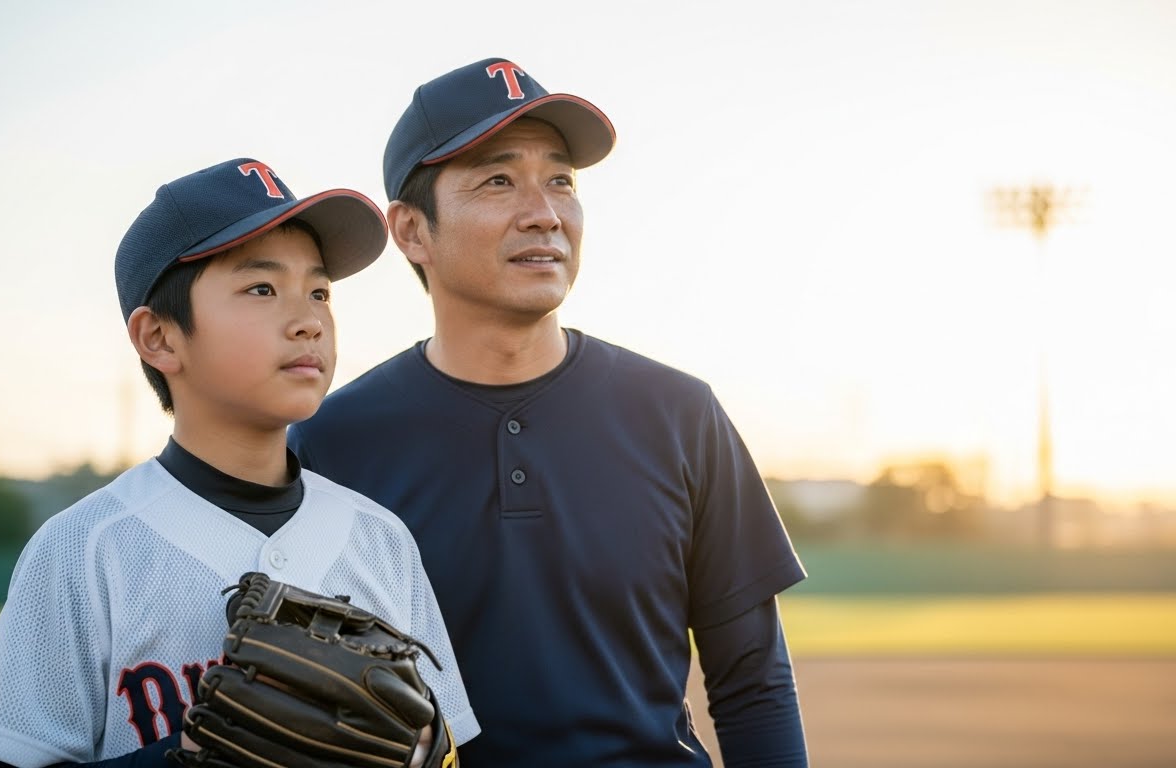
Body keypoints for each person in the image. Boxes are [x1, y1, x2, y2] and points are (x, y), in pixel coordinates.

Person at [289, 58, 808, 767]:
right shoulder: (331, 444)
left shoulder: (680, 413)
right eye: (498, 180)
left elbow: (754, 683)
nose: (545, 212)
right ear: (411, 231)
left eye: (560, 179)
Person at [0, 159, 478, 768]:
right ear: (161, 339)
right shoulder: (83, 549)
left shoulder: (381, 540)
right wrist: (183, 758)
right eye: (261, 288)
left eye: (320, 291)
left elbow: (447, 747)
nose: (308, 321)